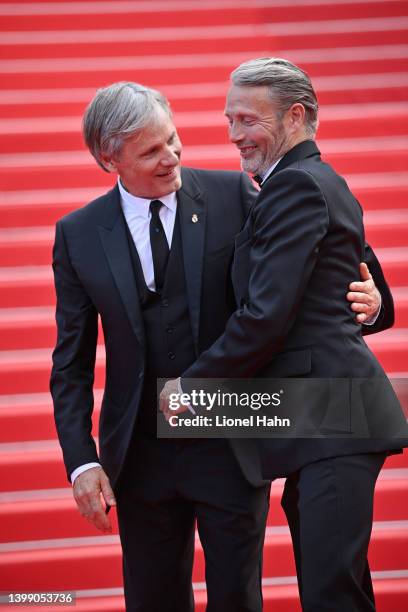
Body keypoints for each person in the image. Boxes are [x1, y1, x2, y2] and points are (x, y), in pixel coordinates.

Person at [50, 81, 390, 612]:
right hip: (139, 456)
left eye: (172, 139)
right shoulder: (78, 234)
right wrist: (80, 461)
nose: (171, 158)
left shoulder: (238, 193)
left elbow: (338, 243)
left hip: (228, 441)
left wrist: (375, 299)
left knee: (237, 599)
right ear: (108, 158)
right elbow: (69, 361)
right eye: (150, 151)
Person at [160, 59, 408, 611]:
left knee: (330, 593)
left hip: (333, 419)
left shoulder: (297, 184)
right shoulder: (308, 181)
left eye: (248, 120)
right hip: (315, 420)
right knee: (337, 588)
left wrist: (192, 388)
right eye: (230, 119)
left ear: (295, 116)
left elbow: (266, 316)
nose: (234, 135)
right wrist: (374, 307)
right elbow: (367, 282)